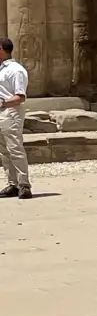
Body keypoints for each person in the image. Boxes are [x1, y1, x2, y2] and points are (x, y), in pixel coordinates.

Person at [0, 38, 31, 200]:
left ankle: (24, 184)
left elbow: (20, 96)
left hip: (10, 112)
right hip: (1, 112)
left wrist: (3, 103)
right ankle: (13, 184)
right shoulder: (1, 69)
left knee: (15, 148)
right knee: (4, 151)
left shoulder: (16, 70)